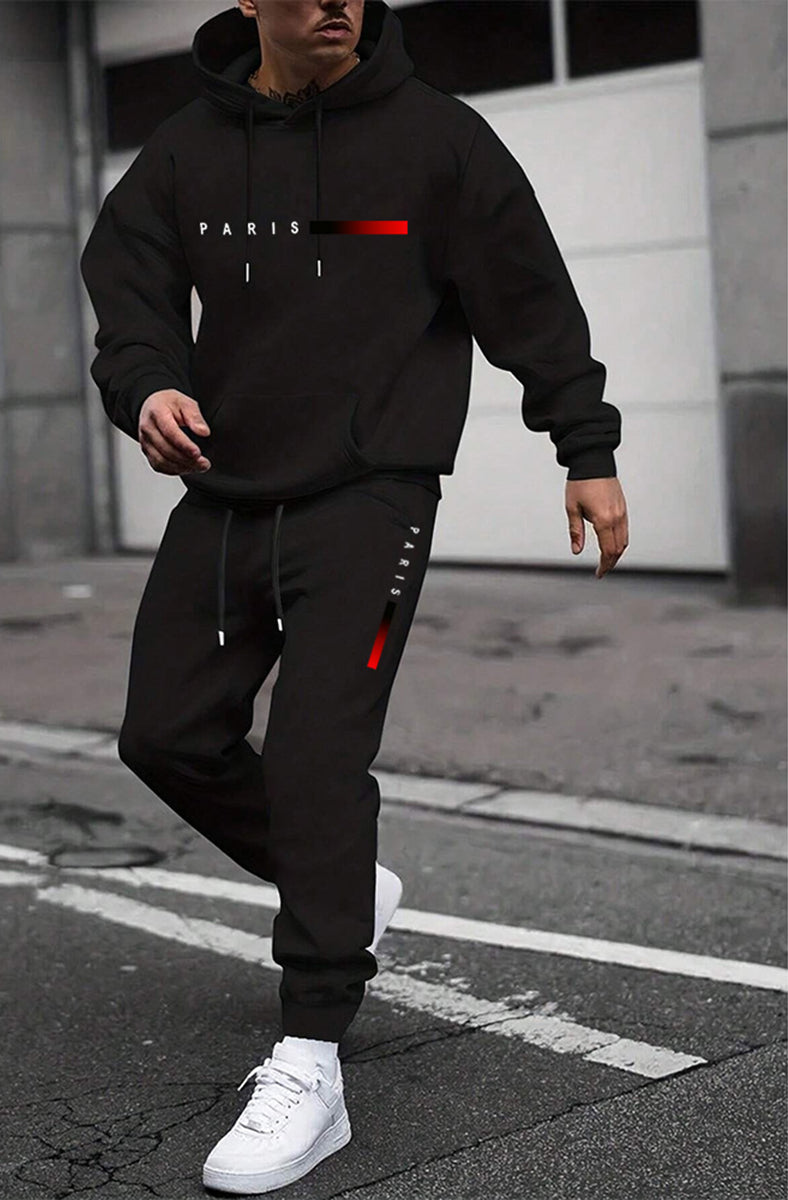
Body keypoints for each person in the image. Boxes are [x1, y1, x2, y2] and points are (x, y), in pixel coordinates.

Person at [79, 0, 629, 1191]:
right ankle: (341, 881)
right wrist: (148, 387)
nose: (336, 1)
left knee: (316, 759)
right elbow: (128, 284)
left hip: (372, 498)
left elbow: (527, 294)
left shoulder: (436, 140)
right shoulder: (187, 148)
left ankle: (313, 1057)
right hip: (227, 493)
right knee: (164, 734)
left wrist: (583, 446)